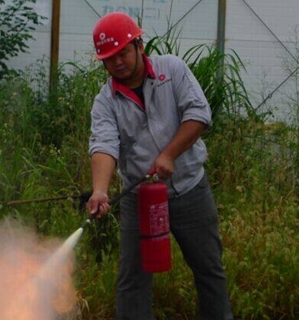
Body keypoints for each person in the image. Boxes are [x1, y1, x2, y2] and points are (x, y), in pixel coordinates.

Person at [85, 12, 233, 319]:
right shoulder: (105, 101)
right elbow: (104, 145)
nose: (117, 63)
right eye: (109, 59)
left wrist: (169, 154)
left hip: (190, 190)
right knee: (132, 281)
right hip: (140, 200)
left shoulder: (173, 70)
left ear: (139, 45)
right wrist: (100, 191)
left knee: (209, 271)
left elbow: (199, 113)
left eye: (123, 53)